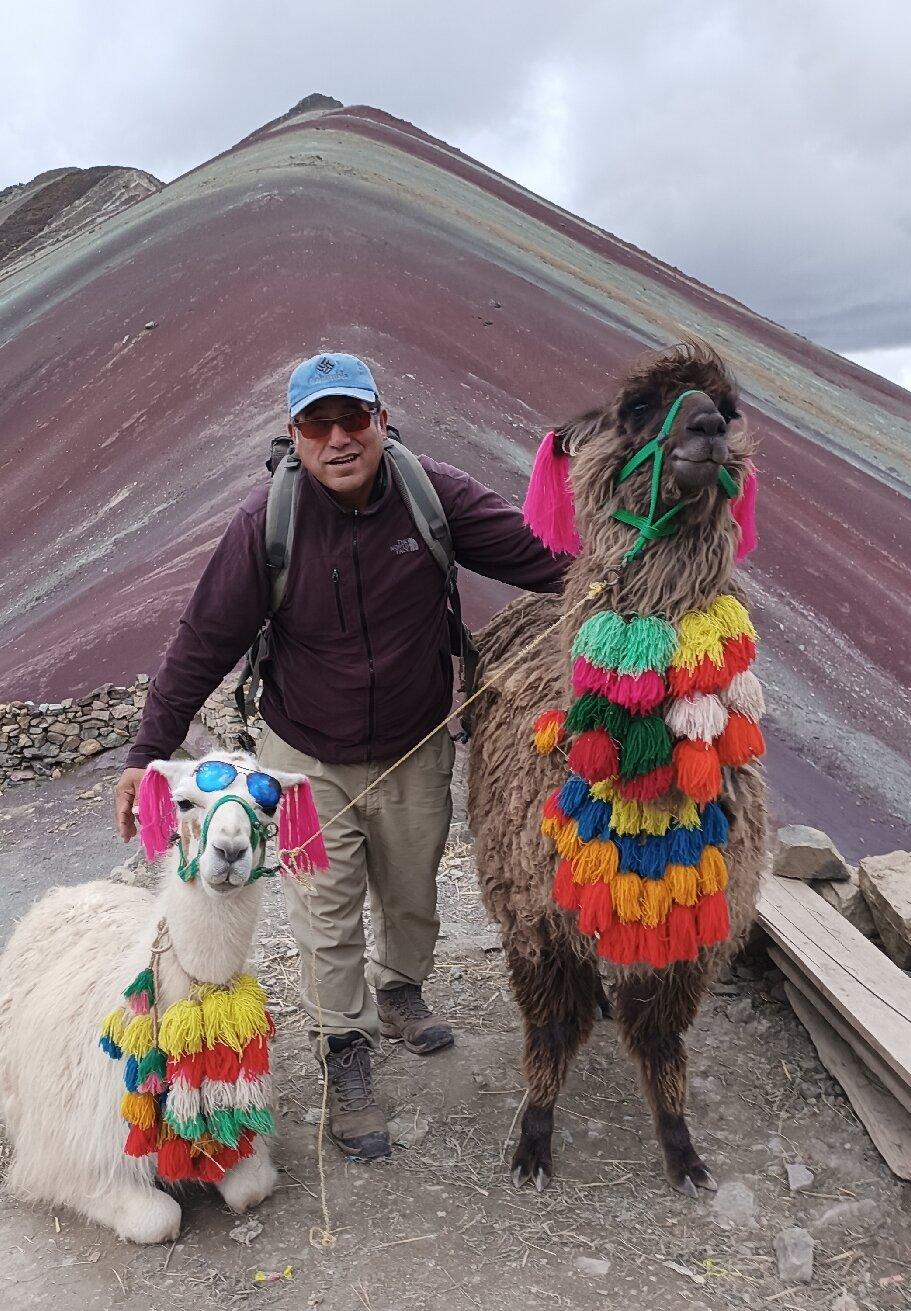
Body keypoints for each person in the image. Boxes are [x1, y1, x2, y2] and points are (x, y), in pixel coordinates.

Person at [116, 352, 567, 1159]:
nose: (337, 438)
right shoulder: (268, 524)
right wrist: (146, 751)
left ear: (381, 422)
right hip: (306, 753)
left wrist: (637, 574)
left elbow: (539, 554)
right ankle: (345, 1054)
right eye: (317, 424)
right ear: (294, 437)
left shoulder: (433, 497)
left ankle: (399, 989)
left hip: (416, 739)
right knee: (323, 911)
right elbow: (202, 643)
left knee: (410, 888)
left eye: (352, 419)